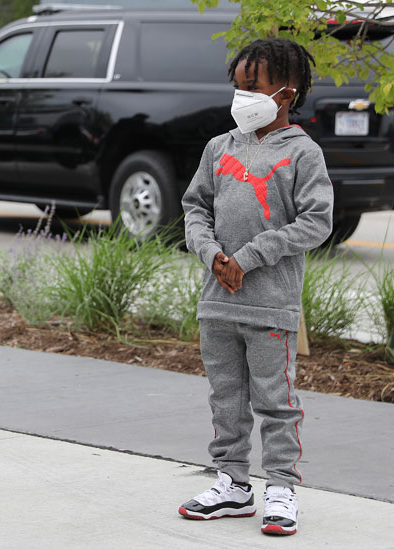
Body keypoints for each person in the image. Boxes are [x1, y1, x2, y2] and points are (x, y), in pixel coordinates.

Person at [178, 38, 333, 536]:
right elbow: (194, 209)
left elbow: (317, 221)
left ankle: (282, 486)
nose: (243, 97)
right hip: (217, 303)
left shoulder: (302, 153)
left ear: (286, 93)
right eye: (239, 87)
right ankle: (233, 483)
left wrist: (249, 257)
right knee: (226, 397)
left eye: (254, 88)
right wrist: (213, 254)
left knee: (275, 401)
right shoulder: (218, 148)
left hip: (271, 308)